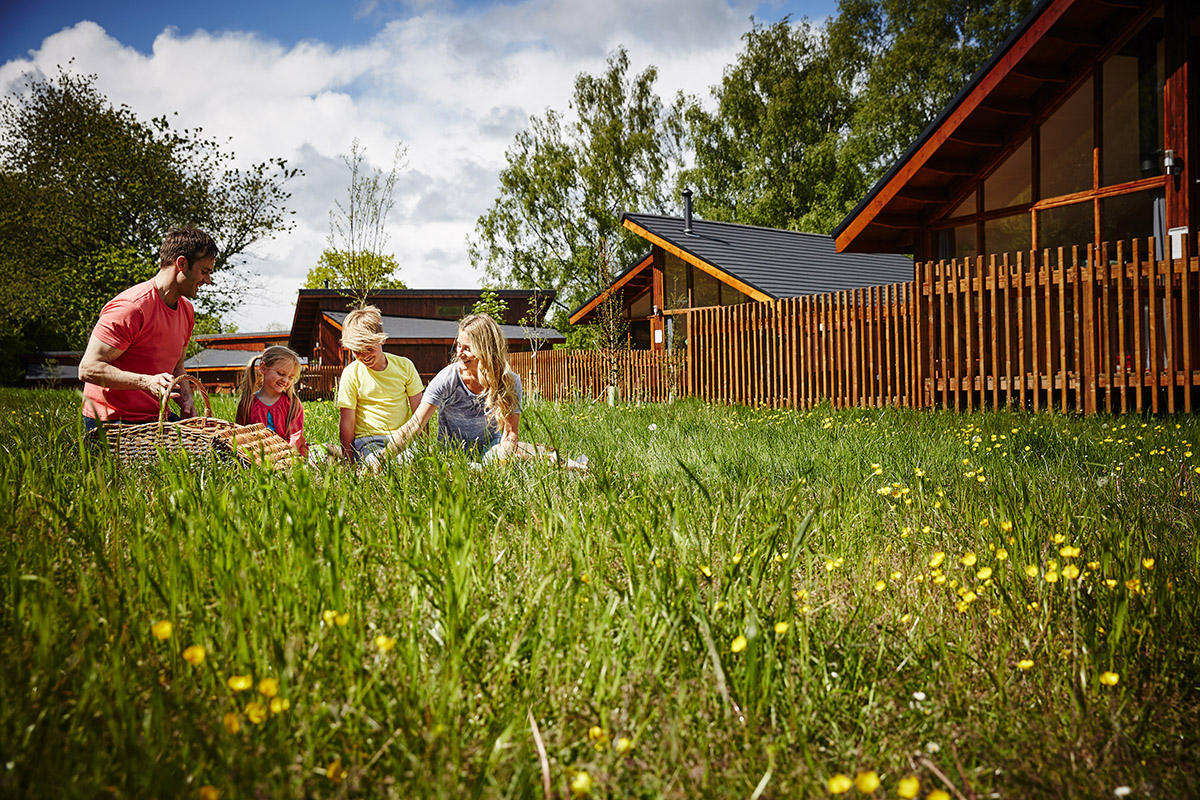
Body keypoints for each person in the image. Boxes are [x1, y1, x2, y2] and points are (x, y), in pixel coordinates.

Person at [79, 227, 217, 430]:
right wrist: (145, 382)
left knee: (222, 450)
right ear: (182, 263)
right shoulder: (131, 307)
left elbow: (177, 367)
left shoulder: (186, 311)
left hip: (155, 418)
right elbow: (88, 368)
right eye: (204, 271)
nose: (208, 280)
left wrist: (186, 400)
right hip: (113, 422)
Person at [372, 313, 521, 468]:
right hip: (451, 455)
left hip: (491, 450)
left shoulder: (509, 381)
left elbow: (510, 433)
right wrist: (382, 459)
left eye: (467, 348)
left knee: (497, 461)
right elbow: (415, 425)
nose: (459, 353)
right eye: (458, 345)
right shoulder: (447, 379)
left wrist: (502, 463)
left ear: (486, 350)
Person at [336, 305, 424, 462]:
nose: (364, 355)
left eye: (369, 348)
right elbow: (347, 421)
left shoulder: (405, 366)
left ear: (382, 339)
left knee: (411, 463)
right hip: (368, 440)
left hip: (402, 438)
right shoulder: (351, 374)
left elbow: (420, 412)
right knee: (375, 463)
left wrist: (424, 444)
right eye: (357, 351)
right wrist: (348, 458)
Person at [235, 345, 309, 457]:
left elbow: (295, 437)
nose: (285, 380)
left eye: (290, 377)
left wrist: (284, 456)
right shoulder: (247, 403)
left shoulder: (292, 403)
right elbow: (241, 437)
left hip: (288, 456)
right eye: (281, 374)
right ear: (263, 368)